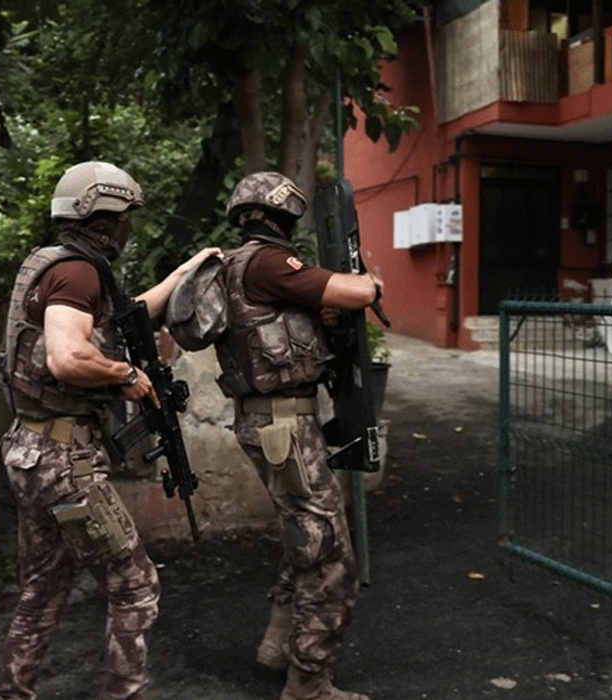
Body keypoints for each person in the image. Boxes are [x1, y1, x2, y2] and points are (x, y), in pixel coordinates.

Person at [0, 161, 219, 700]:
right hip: (64, 460)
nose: (130, 230)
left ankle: (12, 693)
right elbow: (67, 357)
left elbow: (130, 315)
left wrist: (187, 271)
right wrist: (126, 375)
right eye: (126, 220)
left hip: (32, 448)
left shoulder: (55, 264)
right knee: (136, 586)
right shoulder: (79, 273)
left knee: (43, 588)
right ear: (105, 217)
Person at [211, 172, 381, 700]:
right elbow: (355, 291)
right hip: (284, 426)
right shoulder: (267, 262)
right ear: (283, 216)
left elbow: (286, 324)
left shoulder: (235, 265)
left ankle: (276, 646)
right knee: (330, 559)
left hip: (269, 422)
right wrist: (371, 283)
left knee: (303, 538)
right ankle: (308, 683)